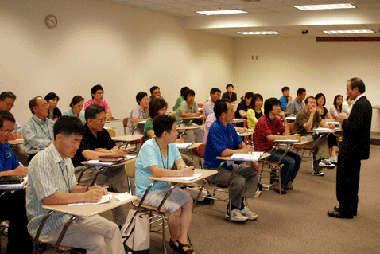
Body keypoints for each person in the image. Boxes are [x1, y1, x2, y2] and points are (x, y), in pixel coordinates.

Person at [26, 116, 124, 253]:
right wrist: (85, 197)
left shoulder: (66, 158)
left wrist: (89, 189)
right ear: (59, 138)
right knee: (97, 242)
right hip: (49, 223)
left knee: (112, 229)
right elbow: (49, 199)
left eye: (79, 142)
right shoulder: (41, 161)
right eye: (74, 141)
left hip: (71, 215)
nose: (77, 147)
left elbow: (71, 188)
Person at [135, 115, 196, 254]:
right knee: (175, 208)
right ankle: (174, 241)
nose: (177, 133)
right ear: (165, 134)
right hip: (147, 192)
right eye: (174, 130)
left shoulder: (171, 145)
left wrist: (182, 168)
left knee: (188, 201)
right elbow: (156, 172)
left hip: (165, 188)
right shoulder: (148, 147)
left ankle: (182, 239)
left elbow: (179, 161)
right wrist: (180, 174)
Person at [72, 104, 129, 226]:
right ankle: (90, 219)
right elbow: (88, 154)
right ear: (89, 121)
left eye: (104, 119)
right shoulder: (81, 132)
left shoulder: (103, 132)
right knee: (101, 176)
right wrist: (111, 154)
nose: (103, 123)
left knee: (119, 169)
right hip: (83, 170)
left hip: (102, 169)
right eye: (100, 120)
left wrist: (104, 152)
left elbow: (114, 148)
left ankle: (120, 218)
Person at [203, 99, 259, 222]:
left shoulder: (229, 126)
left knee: (252, 173)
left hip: (226, 166)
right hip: (213, 169)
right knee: (238, 180)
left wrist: (249, 153)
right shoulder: (215, 128)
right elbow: (223, 152)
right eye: (231, 110)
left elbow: (240, 144)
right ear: (223, 114)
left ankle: (241, 206)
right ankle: (232, 210)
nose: (234, 113)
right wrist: (242, 151)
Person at [328, 78, 372, 219]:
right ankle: (350, 207)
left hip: (351, 149)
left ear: (356, 90)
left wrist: (343, 120)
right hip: (356, 149)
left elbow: (354, 128)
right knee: (352, 180)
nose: (347, 92)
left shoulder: (360, 105)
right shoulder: (365, 103)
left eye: (348, 89)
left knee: (345, 179)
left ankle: (345, 209)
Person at [0, 111, 32, 254]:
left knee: (24, 200)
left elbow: (16, 166)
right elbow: (12, 172)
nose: (9, 135)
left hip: (8, 193)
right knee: (18, 207)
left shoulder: (5, 146)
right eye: (6, 131)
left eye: (11, 131)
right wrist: (13, 173)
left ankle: (20, 246)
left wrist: (26, 170)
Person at [253, 98, 302, 193]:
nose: (279, 108)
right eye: (276, 106)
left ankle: (287, 181)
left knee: (297, 158)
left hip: (272, 149)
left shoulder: (276, 120)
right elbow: (270, 137)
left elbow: (285, 134)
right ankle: (279, 183)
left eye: (279, 106)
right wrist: (291, 137)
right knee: (290, 161)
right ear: (270, 108)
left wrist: (284, 119)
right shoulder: (262, 120)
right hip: (263, 151)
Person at [292, 96, 336, 176]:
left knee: (324, 137)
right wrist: (312, 114)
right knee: (321, 141)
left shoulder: (316, 113)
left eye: (314, 103)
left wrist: (329, 126)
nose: (313, 104)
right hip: (300, 137)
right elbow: (308, 128)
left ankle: (322, 161)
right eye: (311, 102)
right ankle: (322, 161)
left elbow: (322, 123)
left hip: (309, 136)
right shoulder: (301, 113)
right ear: (305, 104)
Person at [22, 96, 54, 162]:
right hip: (36, 158)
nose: (47, 108)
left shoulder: (51, 123)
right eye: (44, 105)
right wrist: (49, 143)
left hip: (52, 155)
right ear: (35, 109)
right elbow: (33, 141)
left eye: (47, 105)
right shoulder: (28, 125)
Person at [316, 93, 338, 163]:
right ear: (316, 100)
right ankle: (331, 156)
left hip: (325, 128)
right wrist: (325, 121)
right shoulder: (315, 109)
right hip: (317, 130)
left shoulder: (324, 109)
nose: (321, 100)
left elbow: (332, 119)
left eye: (322, 98)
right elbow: (317, 121)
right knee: (328, 136)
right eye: (319, 98)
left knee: (332, 135)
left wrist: (325, 121)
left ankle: (332, 155)